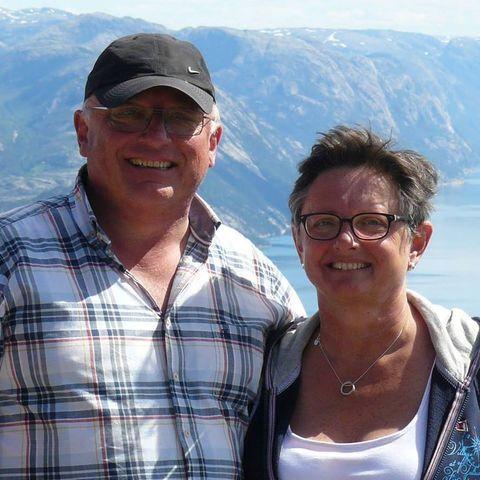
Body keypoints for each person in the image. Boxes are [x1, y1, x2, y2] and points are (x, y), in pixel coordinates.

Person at [0, 33, 305, 479]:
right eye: (129, 115)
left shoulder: (258, 282)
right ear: (84, 132)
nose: (156, 137)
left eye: (182, 119)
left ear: (213, 143)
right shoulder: (12, 259)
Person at [243, 126, 480, 479]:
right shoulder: (263, 367)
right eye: (323, 223)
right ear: (299, 242)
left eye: (371, 223)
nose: (345, 240)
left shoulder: (471, 363)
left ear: (417, 243)